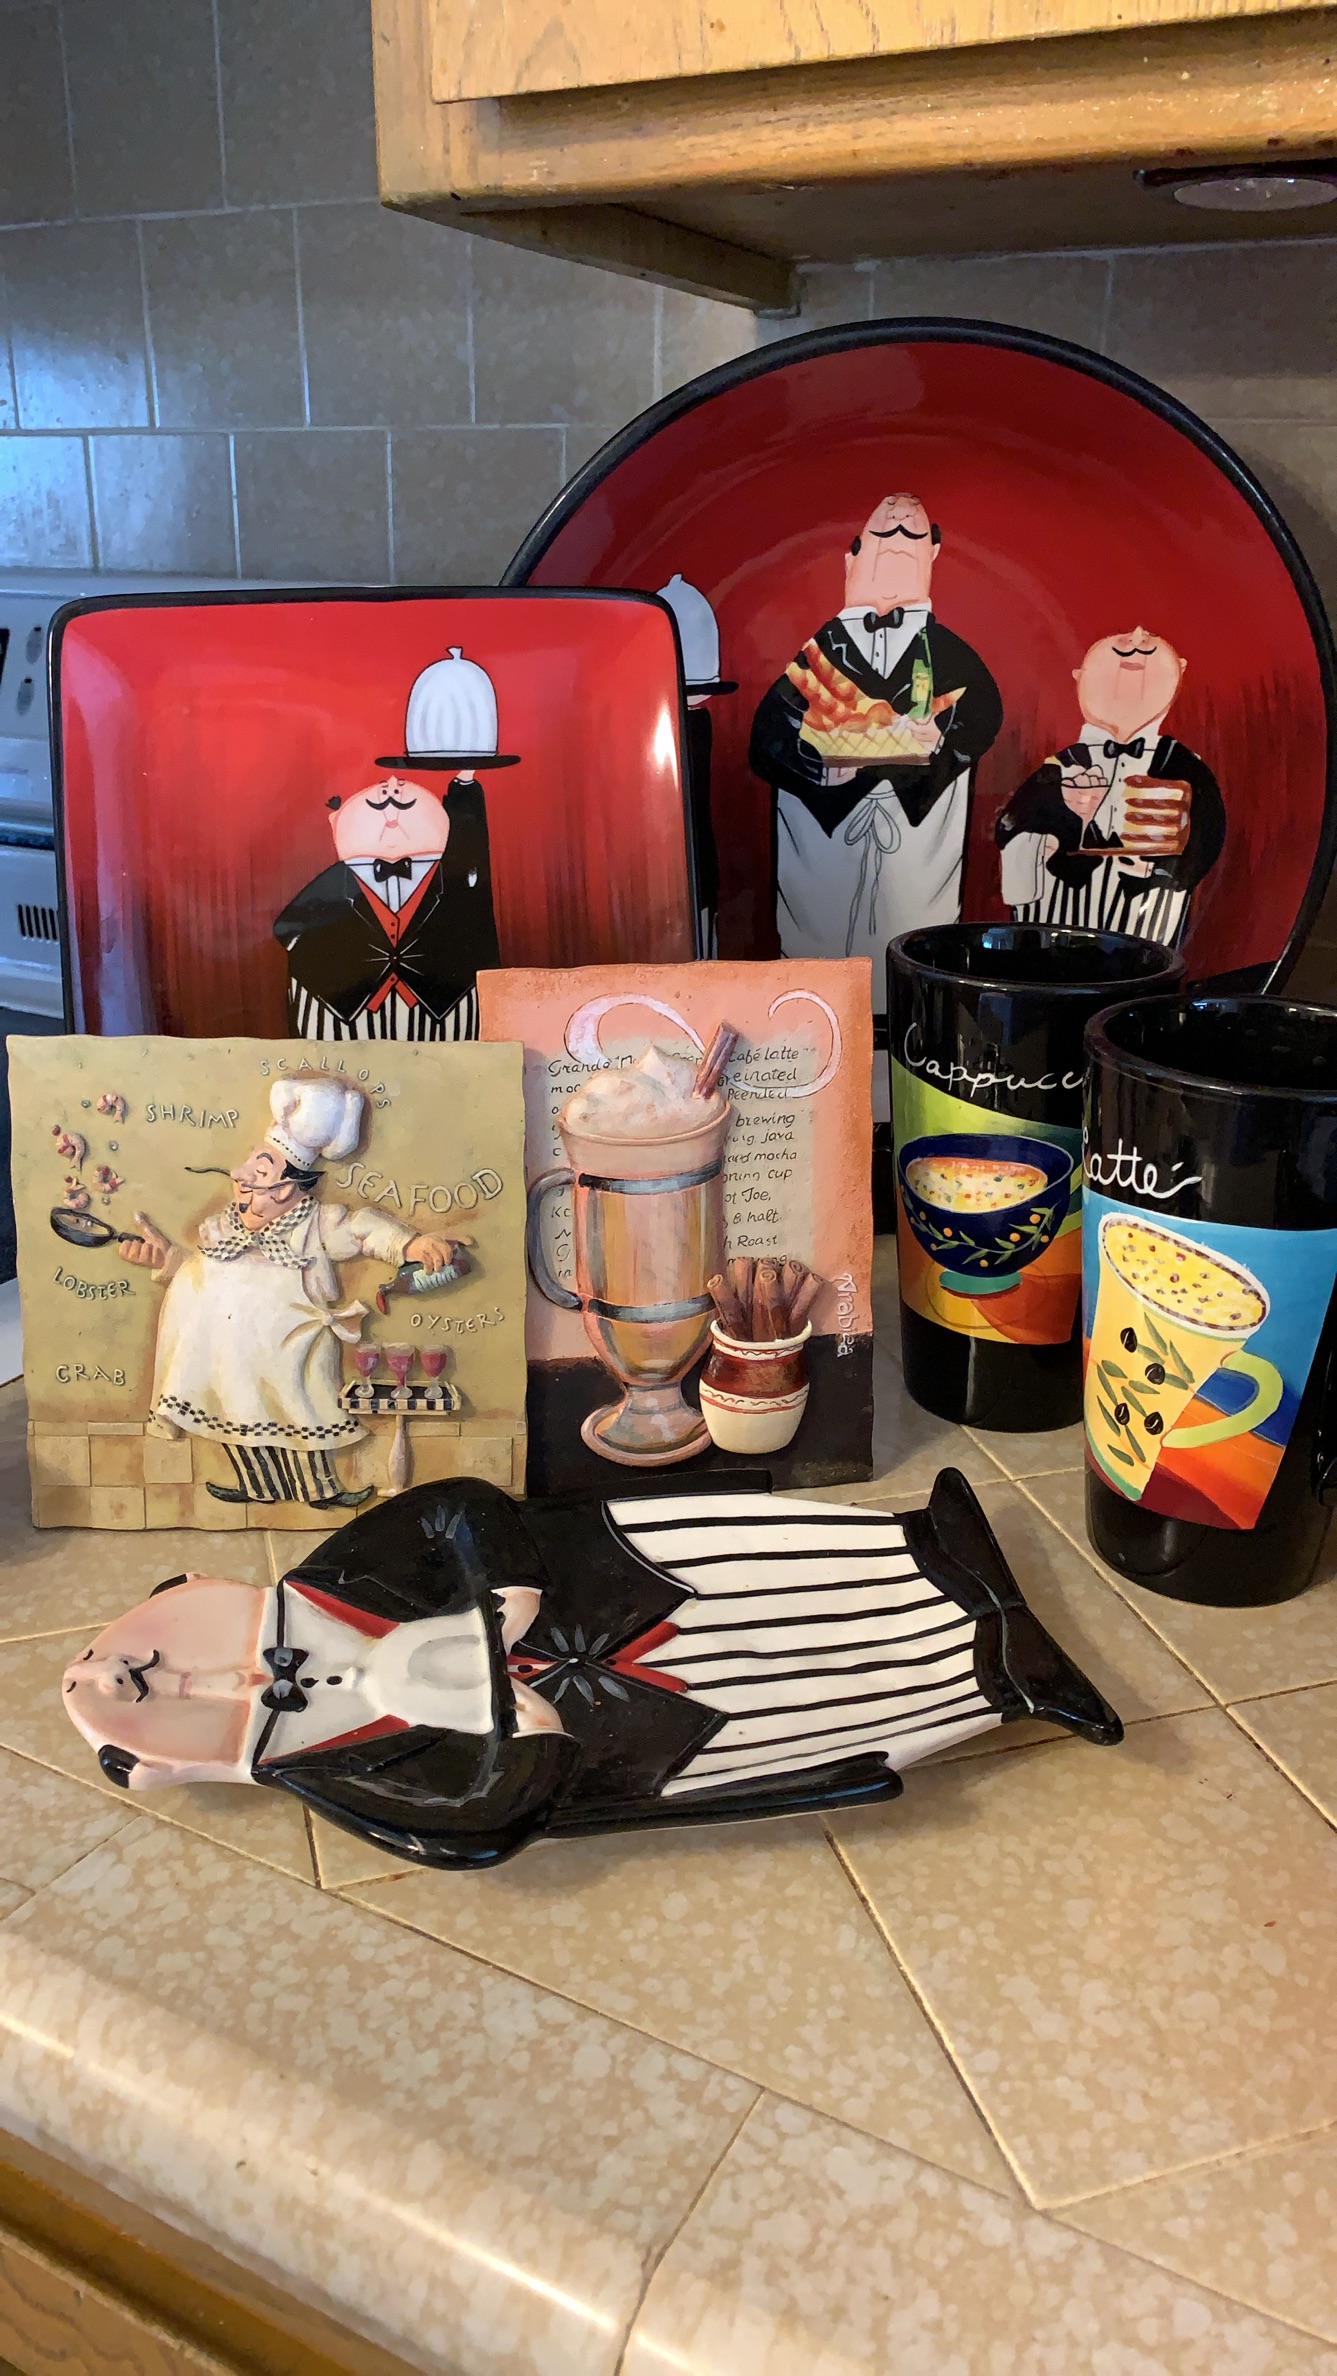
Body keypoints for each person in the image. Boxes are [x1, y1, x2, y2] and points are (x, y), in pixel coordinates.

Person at [61, 1468, 1121, 1869]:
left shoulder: (349, 1566)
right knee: (800, 1697)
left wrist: (505, 1579)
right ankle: (994, 1677)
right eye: (152, 1699)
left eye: (153, 1659)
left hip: (620, 1574)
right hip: (651, 1736)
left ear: (190, 1585)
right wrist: (527, 1744)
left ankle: (924, 1549)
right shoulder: (341, 1776)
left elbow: (457, 1507)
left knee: (769, 1570)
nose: (203, 1680)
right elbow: (470, 1826)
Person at [749, 495, 1002, 1122]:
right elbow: (768, 740)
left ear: (933, 556)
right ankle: (812, 1093)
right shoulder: (821, 654)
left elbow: (981, 719)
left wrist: (933, 745)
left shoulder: (951, 655)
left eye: (911, 535)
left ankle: (906, 1101)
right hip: (826, 838)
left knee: (909, 953)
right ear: (851, 560)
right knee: (822, 950)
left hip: (915, 835)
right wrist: (821, 765)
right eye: (881, 532)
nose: (896, 525)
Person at [119, 1076, 468, 1510]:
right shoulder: (224, 1227)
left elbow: (363, 1229)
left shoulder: (315, 1224)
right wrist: (166, 1260)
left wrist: (408, 1245)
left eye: (258, 1176)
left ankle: (322, 1490)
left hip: (294, 1349)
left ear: (285, 1189)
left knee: (303, 1417)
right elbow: (203, 1272)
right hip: (231, 1357)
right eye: (245, 1173)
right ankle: (259, 1486)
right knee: (234, 1415)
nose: (241, 1180)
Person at [275, 647, 515, 1041]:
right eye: (377, 803)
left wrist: (465, 782)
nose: (391, 795)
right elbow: (287, 928)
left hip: (441, 1009)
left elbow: (471, 849)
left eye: (406, 802)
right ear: (337, 825)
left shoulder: (454, 877)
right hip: (344, 1014)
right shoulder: (335, 883)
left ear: (444, 826)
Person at [996, 627, 1225, 945]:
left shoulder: (1185, 768)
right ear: (1080, 678)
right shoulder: (1059, 767)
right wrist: (1067, 819)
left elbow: (1209, 834)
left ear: (1179, 673)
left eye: (1152, 642)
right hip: (1058, 914)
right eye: (1115, 648)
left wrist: (1164, 868)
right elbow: (1012, 826)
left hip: (1147, 914)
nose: (1137, 637)